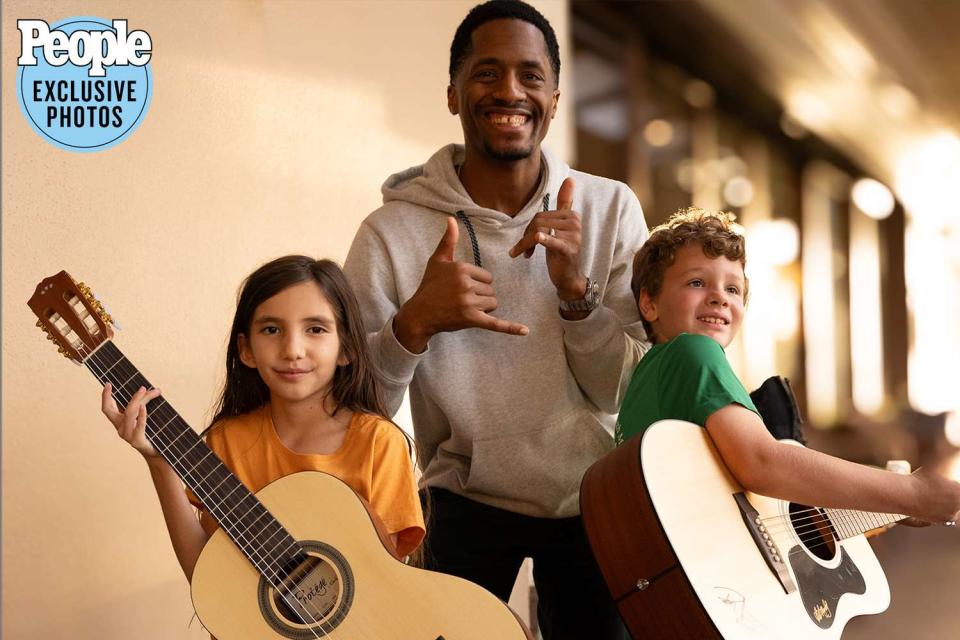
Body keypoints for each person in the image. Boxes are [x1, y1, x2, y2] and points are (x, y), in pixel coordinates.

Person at [343, 1, 646, 637]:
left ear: (555, 98)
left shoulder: (610, 208)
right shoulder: (391, 232)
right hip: (461, 495)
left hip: (594, 496)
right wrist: (413, 326)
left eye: (530, 76)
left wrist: (577, 298)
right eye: (486, 73)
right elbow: (356, 409)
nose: (509, 90)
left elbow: (627, 391)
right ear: (453, 94)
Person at [616, 207, 960, 528]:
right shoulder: (694, 352)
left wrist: (883, 502)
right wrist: (912, 494)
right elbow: (763, 463)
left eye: (733, 289)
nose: (720, 297)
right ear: (649, 302)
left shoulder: (650, 376)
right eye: (696, 282)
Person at [100, 256, 425, 589]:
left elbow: (384, 592)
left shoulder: (378, 443)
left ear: (347, 348)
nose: (293, 349)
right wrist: (159, 463)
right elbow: (209, 582)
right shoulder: (227, 441)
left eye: (315, 329)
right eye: (272, 330)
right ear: (246, 350)